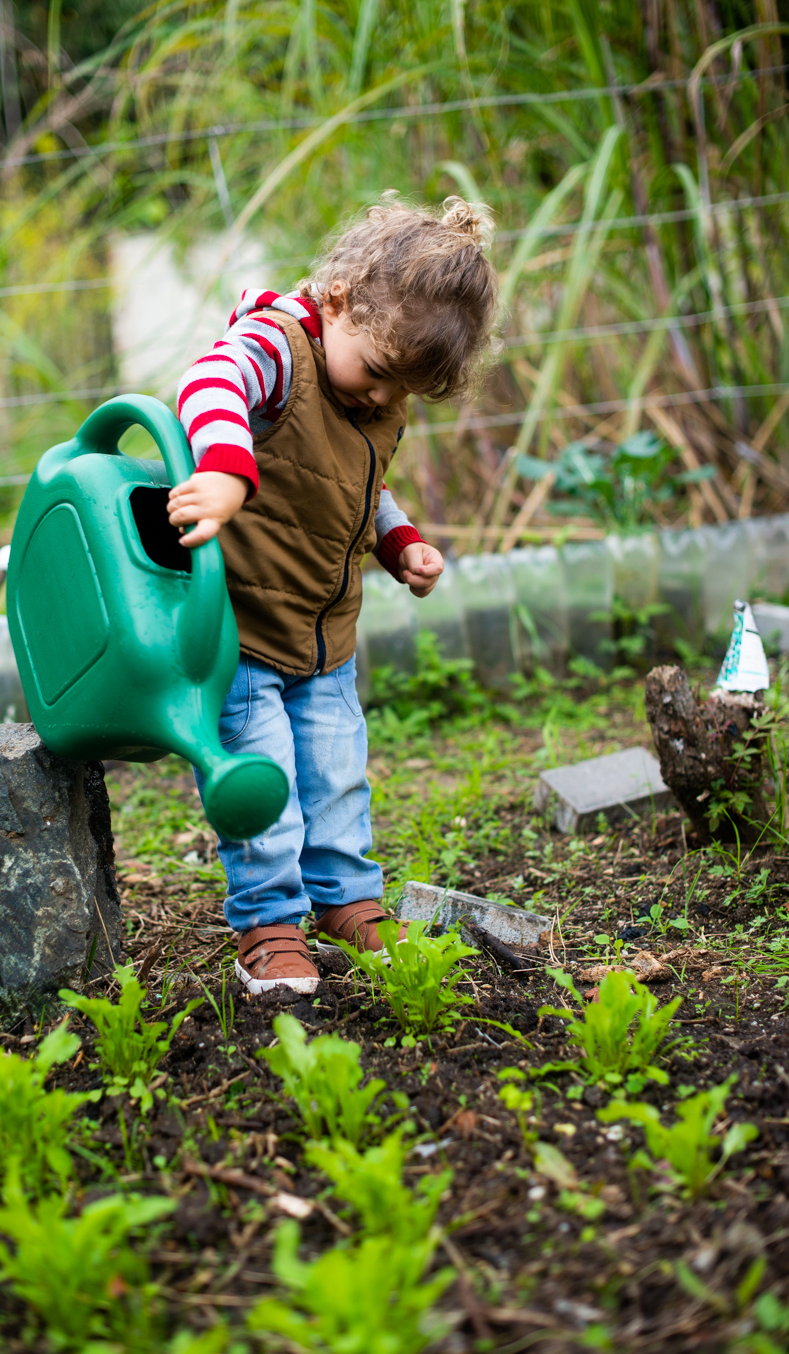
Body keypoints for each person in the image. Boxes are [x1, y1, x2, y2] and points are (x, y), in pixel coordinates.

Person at [169, 195, 499, 995]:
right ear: (337, 301)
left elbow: (358, 485)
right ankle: (270, 921)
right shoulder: (278, 348)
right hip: (240, 633)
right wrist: (222, 469)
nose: (383, 400)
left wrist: (400, 542)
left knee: (337, 773)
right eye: (380, 375)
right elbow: (208, 381)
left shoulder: (370, 391)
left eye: (403, 392)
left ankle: (346, 900)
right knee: (264, 782)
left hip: (322, 640)